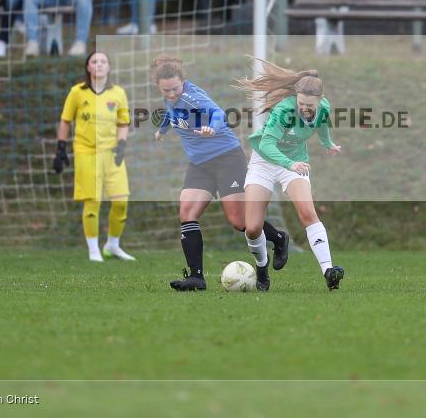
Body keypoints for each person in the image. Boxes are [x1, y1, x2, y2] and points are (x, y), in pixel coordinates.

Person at [150, 55, 289, 291]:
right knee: (187, 212)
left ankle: (278, 238)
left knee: (240, 221)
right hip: (199, 165)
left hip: (226, 158)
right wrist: (162, 130)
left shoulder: (193, 97)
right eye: (166, 90)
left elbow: (217, 114)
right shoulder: (170, 98)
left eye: (175, 88)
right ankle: (196, 277)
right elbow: (171, 113)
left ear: (183, 81)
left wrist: (211, 129)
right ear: (159, 87)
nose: (171, 94)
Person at [235, 59, 344, 292]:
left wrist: (328, 143)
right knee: (252, 227)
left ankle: (328, 270)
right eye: (302, 103)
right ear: (296, 97)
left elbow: (322, 126)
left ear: (320, 100)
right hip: (265, 160)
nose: (305, 108)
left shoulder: (323, 108)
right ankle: (262, 268)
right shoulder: (284, 110)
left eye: (310, 105)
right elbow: (266, 144)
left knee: (307, 212)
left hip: (294, 163)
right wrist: (289, 164)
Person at [53, 51, 134, 263]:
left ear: (109, 67)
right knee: (92, 202)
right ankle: (93, 250)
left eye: (103, 61)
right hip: (86, 151)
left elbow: (123, 122)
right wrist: (61, 148)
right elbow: (65, 121)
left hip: (111, 152)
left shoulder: (118, 93)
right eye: (94, 61)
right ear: (88, 67)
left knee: (121, 203)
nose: (99, 65)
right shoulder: (77, 93)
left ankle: (113, 245)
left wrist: (122, 145)